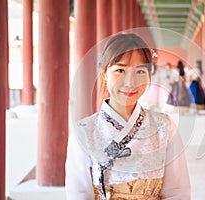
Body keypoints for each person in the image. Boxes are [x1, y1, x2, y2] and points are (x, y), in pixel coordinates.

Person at [65, 33, 191, 200]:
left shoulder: (164, 127)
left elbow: (177, 192)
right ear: (104, 74)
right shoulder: (84, 131)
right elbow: (78, 194)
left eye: (140, 71)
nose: (130, 82)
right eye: (120, 70)